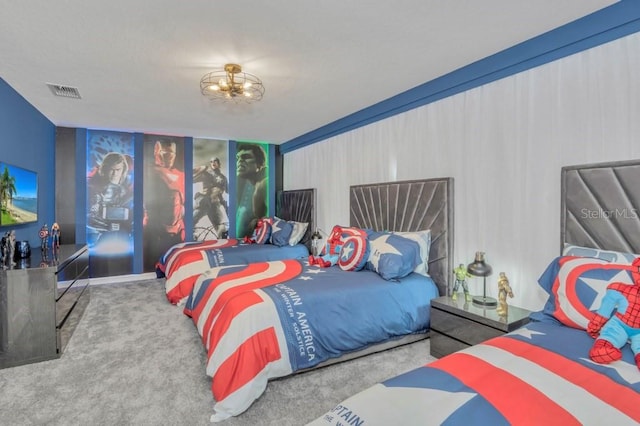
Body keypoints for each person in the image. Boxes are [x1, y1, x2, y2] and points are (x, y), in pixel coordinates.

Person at [144, 139, 185, 269]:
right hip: (156, 228)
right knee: (154, 262)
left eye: (171, 153)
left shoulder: (179, 174)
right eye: (164, 152)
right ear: (157, 151)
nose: (168, 156)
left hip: (177, 229)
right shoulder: (150, 170)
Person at [87, 152, 133, 241]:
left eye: (118, 170)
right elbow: (88, 217)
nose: (114, 173)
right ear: (105, 169)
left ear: (123, 170)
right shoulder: (93, 188)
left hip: (123, 238)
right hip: (98, 236)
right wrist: (106, 226)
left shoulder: (128, 190)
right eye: (111, 170)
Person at [236, 143, 267, 238]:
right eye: (238, 158)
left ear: (260, 164)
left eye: (246, 157)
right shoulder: (250, 184)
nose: (240, 161)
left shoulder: (265, 184)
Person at [193, 157, 229, 239]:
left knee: (221, 227)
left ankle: (222, 242)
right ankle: (192, 236)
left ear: (219, 164)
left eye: (215, 161)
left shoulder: (223, 178)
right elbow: (192, 179)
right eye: (211, 161)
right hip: (205, 203)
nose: (213, 163)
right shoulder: (206, 174)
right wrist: (201, 169)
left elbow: (228, 190)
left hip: (215, 204)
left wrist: (224, 203)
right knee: (192, 220)